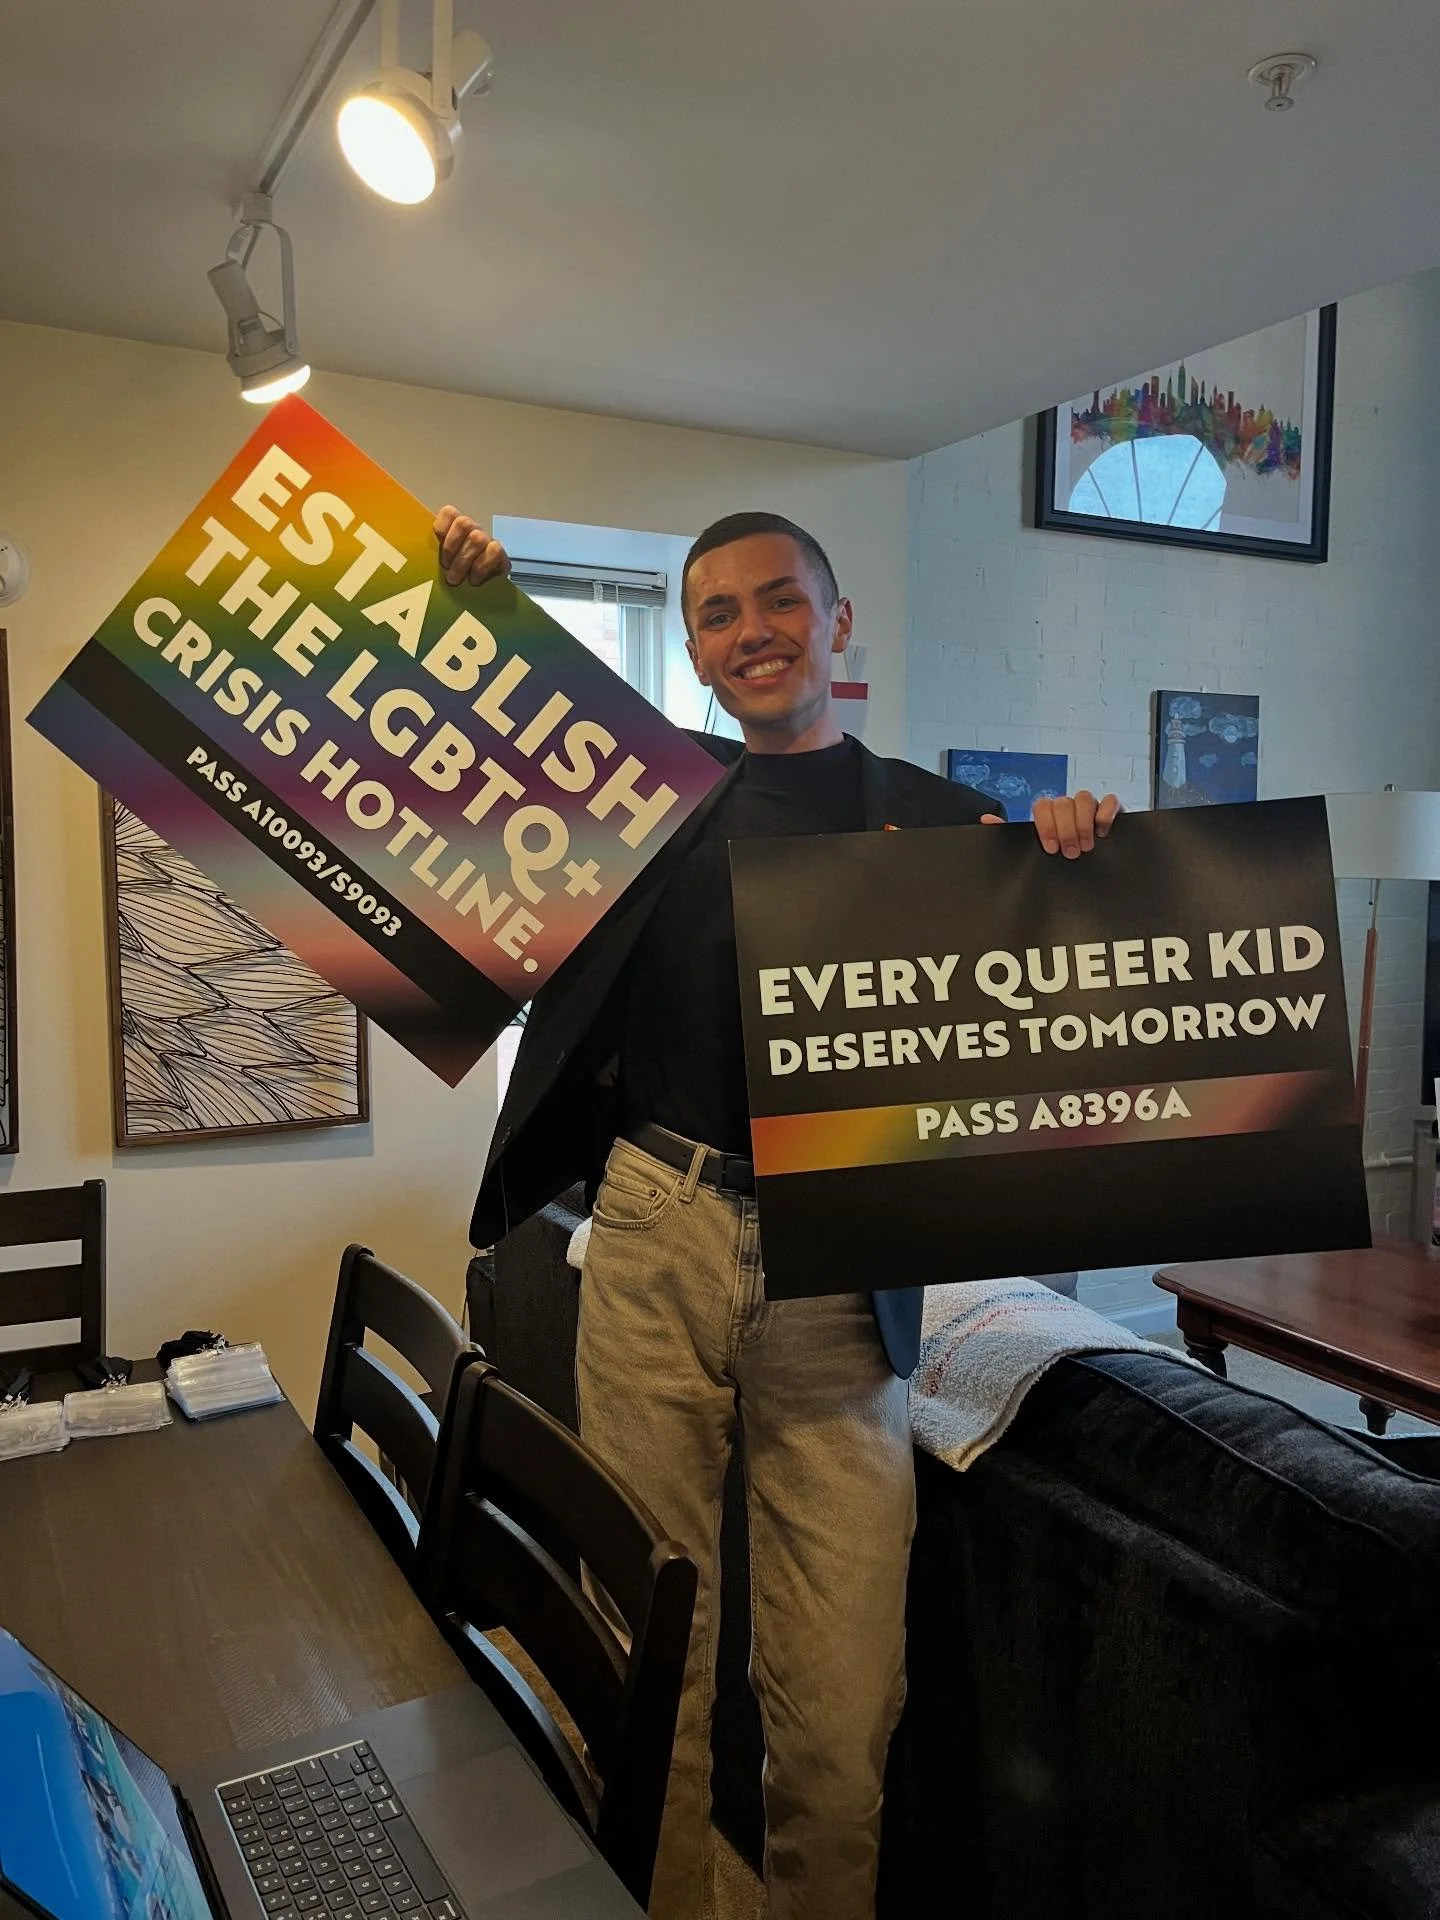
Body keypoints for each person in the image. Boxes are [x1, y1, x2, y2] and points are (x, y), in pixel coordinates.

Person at [438, 502, 1120, 1920]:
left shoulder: (945, 822)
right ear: (691, 651)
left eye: (781, 602)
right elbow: (466, 757)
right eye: (718, 614)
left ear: (837, 620)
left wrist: (1079, 844)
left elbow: (1063, 985)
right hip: (651, 1234)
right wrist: (476, 604)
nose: (753, 631)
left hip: (840, 1280)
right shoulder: (646, 799)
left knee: (842, 1688)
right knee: (645, 1638)